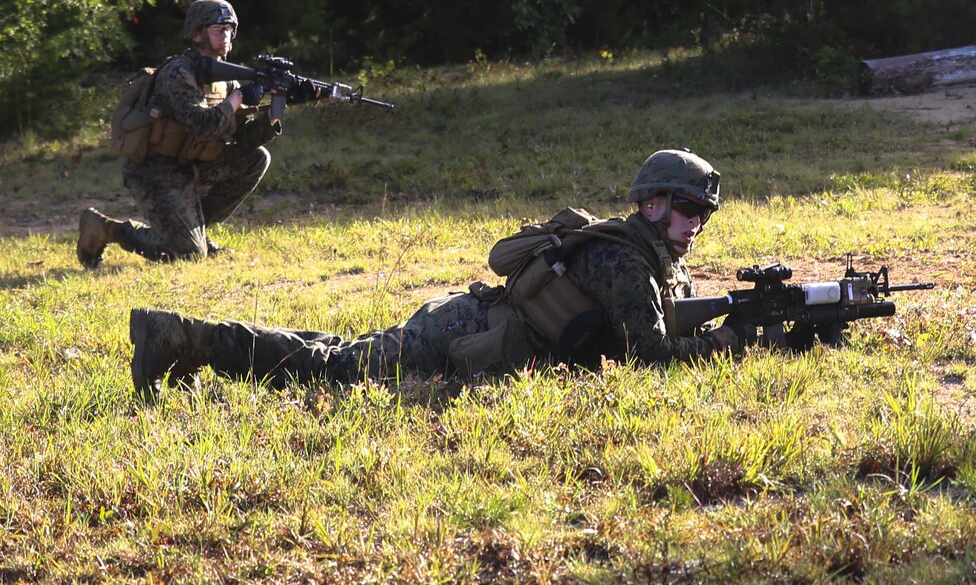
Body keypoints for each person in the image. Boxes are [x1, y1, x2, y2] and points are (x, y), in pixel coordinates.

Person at [128, 149, 749, 400]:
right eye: (689, 208)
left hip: (470, 324)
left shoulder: (648, 255)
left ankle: (196, 342)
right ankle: (188, 338)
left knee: (337, 354)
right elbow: (652, 356)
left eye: (703, 214)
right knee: (332, 368)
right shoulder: (626, 260)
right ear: (654, 204)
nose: (697, 223)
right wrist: (739, 341)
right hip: (460, 332)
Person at [76, 0, 280, 268]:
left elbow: (241, 139)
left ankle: (194, 230)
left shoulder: (226, 79)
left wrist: (275, 111)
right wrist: (239, 97)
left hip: (190, 166)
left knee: (257, 158)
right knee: (188, 255)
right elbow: (203, 125)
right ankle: (105, 229)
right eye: (219, 29)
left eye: (230, 29)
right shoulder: (178, 73)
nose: (227, 36)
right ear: (197, 34)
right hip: (155, 172)